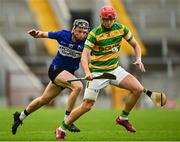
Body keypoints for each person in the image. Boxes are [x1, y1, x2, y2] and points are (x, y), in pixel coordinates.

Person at [54, 6, 167, 140]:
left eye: (110, 19)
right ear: (101, 18)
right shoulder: (94, 34)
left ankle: (123, 118)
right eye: (105, 19)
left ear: (114, 18)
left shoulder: (121, 29)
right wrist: (88, 72)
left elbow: (136, 45)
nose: (108, 22)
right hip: (97, 73)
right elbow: (84, 55)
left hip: (114, 70)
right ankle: (61, 128)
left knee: (137, 89)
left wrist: (139, 59)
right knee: (87, 105)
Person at [12, 19, 90, 135]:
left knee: (44, 100)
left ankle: (20, 116)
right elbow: (45, 34)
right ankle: (67, 120)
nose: (82, 34)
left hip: (67, 74)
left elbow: (92, 57)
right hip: (55, 70)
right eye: (80, 31)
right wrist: (36, 34)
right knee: (77, 86)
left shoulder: (86, 43)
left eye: (85, 32)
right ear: (73, 29)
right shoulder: (63, 35)